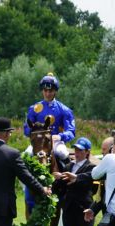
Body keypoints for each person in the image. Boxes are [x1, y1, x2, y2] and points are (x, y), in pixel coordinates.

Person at [23, 73, 76, 211]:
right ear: (42, 91)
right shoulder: (34, 109)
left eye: (50, 90)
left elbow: (71, 131)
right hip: (38, 143)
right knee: (26, 155)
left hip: (56, 142)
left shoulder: (64, 110)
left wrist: (59, 137)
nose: (47, 93)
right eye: (45, 90)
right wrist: (36, 134)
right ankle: (26, 187)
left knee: (63, 154)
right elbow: (26, 129)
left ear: (55, 91)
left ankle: (67, 186)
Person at [53, 137, 99, 226]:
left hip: (84, 209)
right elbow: (59, 190)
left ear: (87, 152)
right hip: (68, 209)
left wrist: (75, 178)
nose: (77, 153)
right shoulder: (68, 167)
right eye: (76, 150)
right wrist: (58, 180)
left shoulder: (92, 168)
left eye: (80, 150)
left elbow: (89, 186)